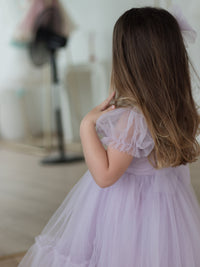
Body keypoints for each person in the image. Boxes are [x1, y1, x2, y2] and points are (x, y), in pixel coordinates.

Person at [19, 6, 200, 267]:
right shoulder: (178, 110)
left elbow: (105, 175)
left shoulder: (133, 119)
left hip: (129, 216)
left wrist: (86, 126)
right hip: (166, 214)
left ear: (127, 62)